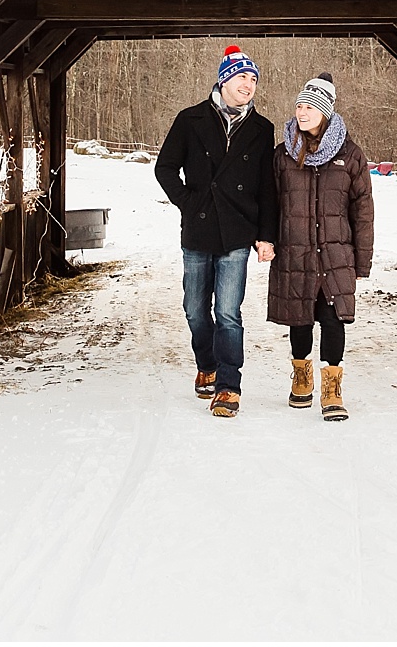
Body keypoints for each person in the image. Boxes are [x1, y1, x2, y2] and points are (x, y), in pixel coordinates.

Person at [155, 44, 278, 418]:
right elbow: (165, 168)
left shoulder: (261, 129)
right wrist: (189, 203)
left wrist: (266, 235)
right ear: (225, 80)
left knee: (228, 312)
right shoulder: (190, 119)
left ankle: (228, 386)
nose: (249, 84)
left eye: (254, 79)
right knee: (195, 310)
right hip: (198, 229)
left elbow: (267, 188)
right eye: (242, 76)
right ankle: (206, 364)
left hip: (237, 232)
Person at [267, 73, 374, 422]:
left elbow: (363, 210)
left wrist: (362, 261)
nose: (302, 111)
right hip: (295, 251)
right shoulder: (283, 155)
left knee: (332, 319)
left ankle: (332, 387)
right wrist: (266, 238)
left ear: (325, 111)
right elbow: (269, 202)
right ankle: (301, 378)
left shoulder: (350, 155)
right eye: (299, 105)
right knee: (299, 318)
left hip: (335, 253)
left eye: (310, 106)